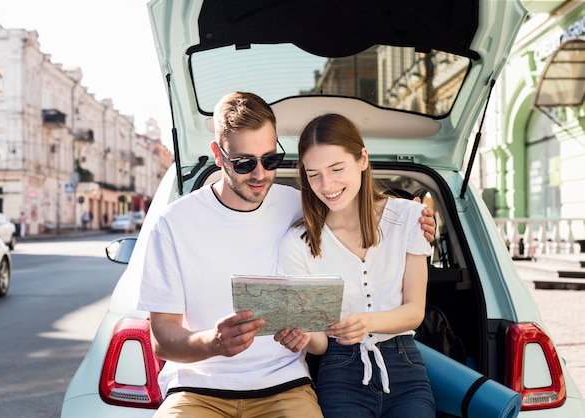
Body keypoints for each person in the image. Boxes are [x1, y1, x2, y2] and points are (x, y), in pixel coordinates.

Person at [136, 93, 436, 418]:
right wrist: (213, 342)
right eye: (244, 163)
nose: (261, 174)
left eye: (270, 159)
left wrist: (424, 220)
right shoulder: (172, 223)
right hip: (196, 390)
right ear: (218, 155)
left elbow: (356, 205)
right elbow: (161, 339)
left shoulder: (302, 205)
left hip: (285, 385)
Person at [275, 113, 435, 417]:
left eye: (337, 169)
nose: (327, 184)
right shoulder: (297, 243)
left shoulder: (409, 218)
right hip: (340, 370)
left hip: (406, 366)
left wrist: (367, 322)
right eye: (314, 174)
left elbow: (415, 312)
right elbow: (321, 342)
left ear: (362, 158)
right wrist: (304, 337)